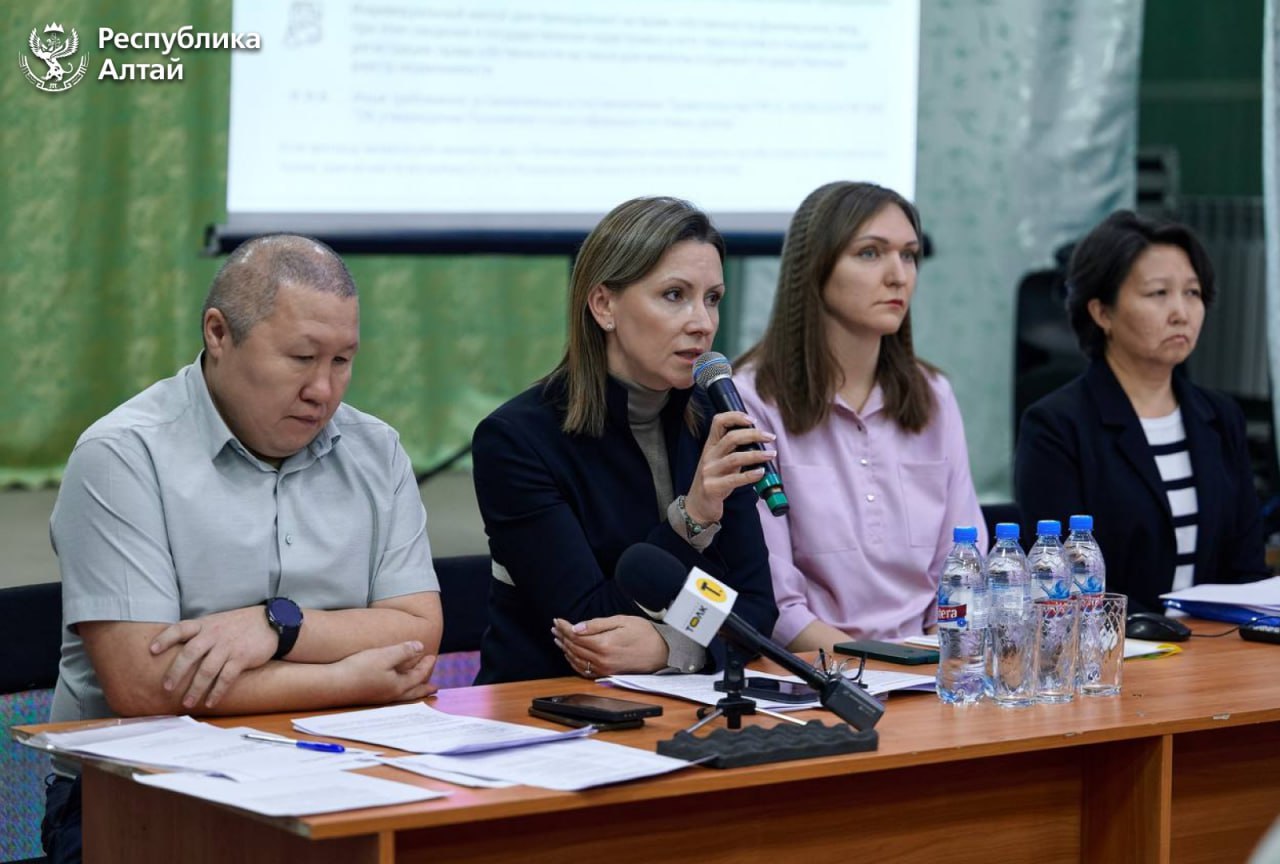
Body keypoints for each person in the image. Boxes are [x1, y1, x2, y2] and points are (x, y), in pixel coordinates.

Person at [42, 235, 442, 863]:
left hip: (337, 772)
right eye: (302, 356)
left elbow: (417, 630)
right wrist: (345, 676)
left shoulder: (376, 449)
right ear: (218, 334)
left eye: (343, 360)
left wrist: (276, 628)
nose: (323, 389)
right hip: (145, 796)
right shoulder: (122, 456)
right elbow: (144, 687)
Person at [471, 196, 778, 684]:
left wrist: (669, 647)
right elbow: (589, 628)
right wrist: (693, 517)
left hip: (681, 703)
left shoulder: (713, 420)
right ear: (604, 305)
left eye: (712, 298)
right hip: (545, 713)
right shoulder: (516, 441)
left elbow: (757, 610)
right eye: (674, 295)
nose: (702, 322)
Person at [734, 181, 986, 652]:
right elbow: (775, 604)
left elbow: (966, 564)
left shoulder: (933, 396)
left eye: (909, 255)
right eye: (870, 253)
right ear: (816, 266)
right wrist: (878, 670)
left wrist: (941, 664)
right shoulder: (754, 400)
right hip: (816, 678)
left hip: (932, 670)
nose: (898, 275)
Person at [1015, 210, 1266, 614]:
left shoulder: (1220, 418)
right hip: (1114, 655)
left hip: (1215, 649)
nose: (1181, 313)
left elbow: (1246, 570)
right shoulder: (1056, 426)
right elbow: (1060, 584)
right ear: (1102, 313)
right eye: (1157, 294)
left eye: (1193, 293)